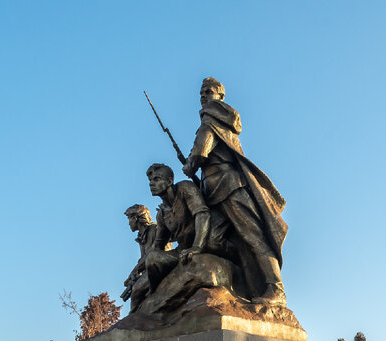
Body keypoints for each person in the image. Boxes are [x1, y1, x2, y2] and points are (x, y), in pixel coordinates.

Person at [183, 77, 288, 305]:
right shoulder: (217, 122)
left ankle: (276, 289)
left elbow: (201, 152)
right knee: (214, 239)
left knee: (253, 237)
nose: (203, 95)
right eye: (201, 92)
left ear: (220, 96)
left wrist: (189, 164)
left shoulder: (210, 122)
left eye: (209, 91)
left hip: (228, 186)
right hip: (214, 192)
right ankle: (241, 287)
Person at [143, 162, 230, 288]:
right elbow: (157, 246)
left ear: (170, 180)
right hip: (182, 252)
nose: (151, 183)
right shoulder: (161, 215)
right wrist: (140, 266)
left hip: (203, 240)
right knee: (152, 259)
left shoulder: (184, 188)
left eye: (157, 179)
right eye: (150, 180)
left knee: (212, 243)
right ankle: (157, 294)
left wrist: (197, 247)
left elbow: (202, 214)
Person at [120, 204, 158, 312]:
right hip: (150, 267)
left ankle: (133, 317)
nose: (128, 223)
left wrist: (135, 271)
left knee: (137, 290)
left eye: (129, 219)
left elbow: (152, 254)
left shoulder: (154, 229)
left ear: (135, 218)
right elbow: (143, 259)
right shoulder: (141, 237)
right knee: (135, 287)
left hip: (159, 265)